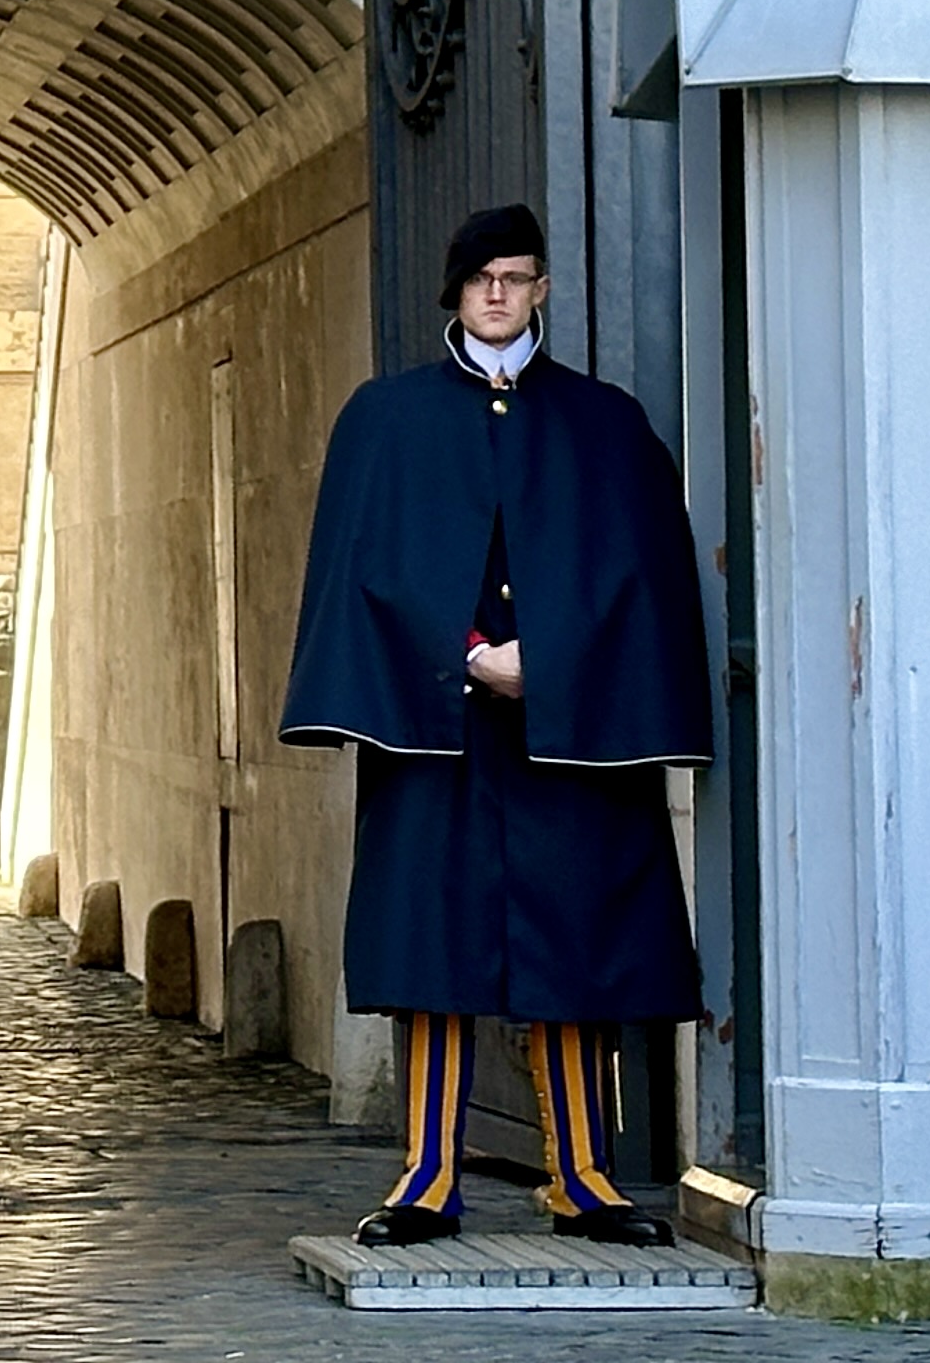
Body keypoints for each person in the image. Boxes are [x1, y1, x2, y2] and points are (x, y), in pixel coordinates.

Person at [278, 205, 709, 1250]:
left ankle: (584, 1177)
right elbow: (370, 567)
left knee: (577, 949)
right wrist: (469, 652)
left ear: (543, 288)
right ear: (457, 292)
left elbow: (637, 575)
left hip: (573, 733)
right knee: (435, 952)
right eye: (482, 280)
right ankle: (428, 1175)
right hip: (438, 729)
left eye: (516, 277)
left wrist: (549, 659)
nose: (499, 295)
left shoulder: (606, 422)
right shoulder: (387, 418)